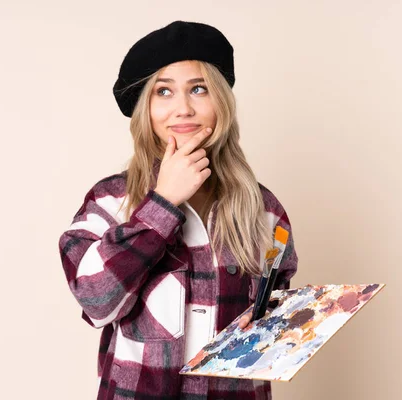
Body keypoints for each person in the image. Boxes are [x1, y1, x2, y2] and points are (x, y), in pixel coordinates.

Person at [58, 20, 299, 400]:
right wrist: (162, 203)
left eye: (198, 89)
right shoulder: (110, 202)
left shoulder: (264, 210)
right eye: (164, 92)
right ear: (145, 110)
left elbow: (273, 325)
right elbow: (95, 301)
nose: (183, 109)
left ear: (220, 101)